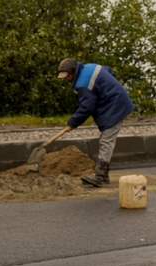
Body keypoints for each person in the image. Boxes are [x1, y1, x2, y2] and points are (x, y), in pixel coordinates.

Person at [57, 58, 135, 187]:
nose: (67, 78)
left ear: (73, 71)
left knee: (106, 141)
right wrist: (108, 90)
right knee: (106, 140)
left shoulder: (82, 84)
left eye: (68, 75)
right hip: (116, 101)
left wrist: (72, 122)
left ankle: (99, 176)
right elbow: (108, 70)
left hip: (115, 106)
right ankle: (104, 175)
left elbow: (87, 107)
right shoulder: (90, 67)